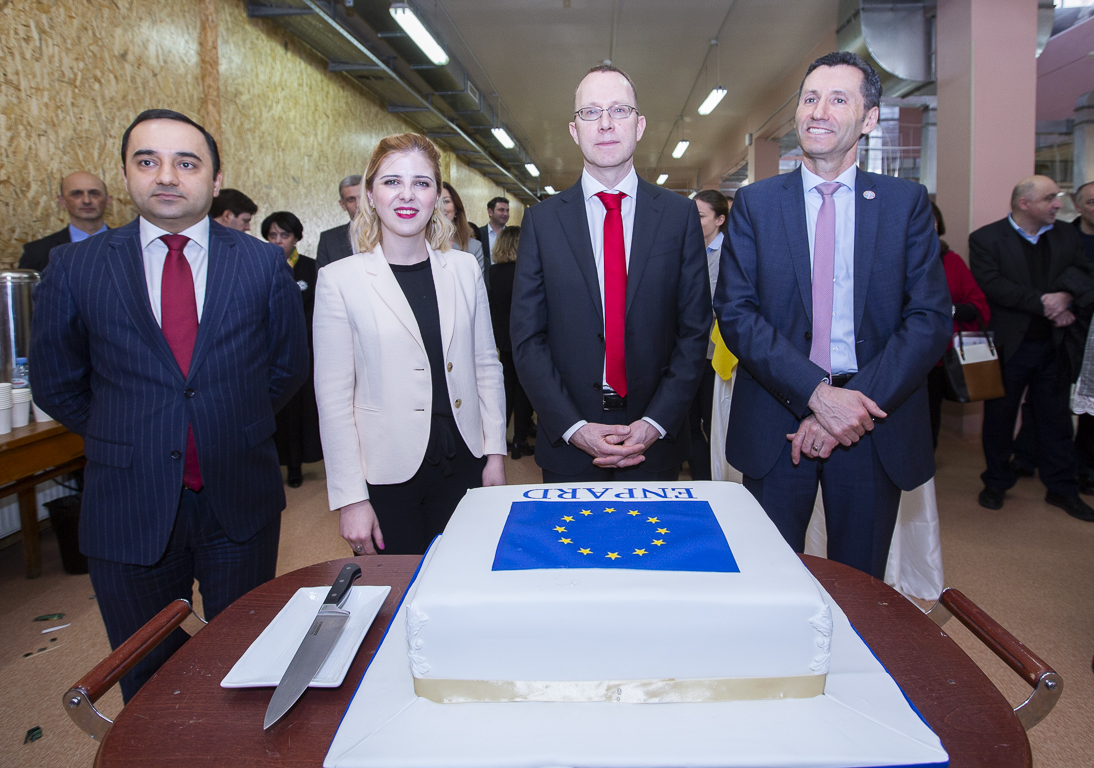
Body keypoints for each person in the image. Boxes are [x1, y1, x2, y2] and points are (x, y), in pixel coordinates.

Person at [30, 109, 308, 701]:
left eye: (186, 162)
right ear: (125, 175)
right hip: (128, 504)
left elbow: (287, 367)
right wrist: (126, 435)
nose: (166, 176)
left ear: (215, 177)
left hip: (239, 499)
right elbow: (56, 382)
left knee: (245, 664)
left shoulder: (261, 263)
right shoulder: (75, 267)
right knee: (148, 680)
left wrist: (226, 423)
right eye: (147, 161)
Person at [716, 51, 951, 579]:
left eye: (838, 99)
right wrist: (817, 396)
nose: (818, 111)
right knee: (771, 581)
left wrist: (851, 406)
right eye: (810, 98)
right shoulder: (755, 204)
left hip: (872, 421)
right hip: (777, 419)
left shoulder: (905, 203)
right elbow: (736, 312)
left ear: (869, 119)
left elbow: (929, 318)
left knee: (860, 587)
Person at [511, 64, 711, 482]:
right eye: (590, 112)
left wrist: (655, 422)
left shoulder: (678, 217)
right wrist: (573, 427)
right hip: (569, 444)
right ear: (574, 130)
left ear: (639, 125)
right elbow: (528, 338)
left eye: (619, 110)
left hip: (654, 443)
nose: (605, 123)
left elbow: (694, 331)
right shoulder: (542, 222)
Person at [313, 133, 506, 556]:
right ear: (370, 194)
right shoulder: (339, 280)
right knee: (398, 589)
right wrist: (351, 498)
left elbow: (485, 366)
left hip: (464, 460)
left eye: (421, 183)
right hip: (386, 473)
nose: (407, 194)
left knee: (462, 579)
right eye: (391, 182)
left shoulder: (463, 269)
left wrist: (494, 454)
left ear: (437, 196)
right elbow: (333, 399)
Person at [969, 175, 1094, 520]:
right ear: (1024, 204)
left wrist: (1065, 296)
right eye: (1050, 198)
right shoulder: (986, 238)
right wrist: (1046, 304)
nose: (1058, 204)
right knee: (1000, 418)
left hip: (1056, 345)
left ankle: (1062, 488)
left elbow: (1084, 271)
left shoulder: (1066, 234)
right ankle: (996, 482)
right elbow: (994, 285)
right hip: (1011, 347)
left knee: (1056, 420)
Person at [262, 211, 323, 488]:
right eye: (272, 235)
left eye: (284, 235)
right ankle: (280, 462)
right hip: (273, 352)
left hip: (307, 350)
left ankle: (298, 463)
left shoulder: (311, 267)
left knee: (303, 409)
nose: (278, 241)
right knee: (280, 411)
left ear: (296, 238)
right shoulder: (261, 265)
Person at [926, 202, 990, 448]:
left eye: (931, 222)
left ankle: (926, 463)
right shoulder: (890, 257)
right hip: (898, 353)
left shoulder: (952, 261)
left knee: (931, 414)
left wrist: (948, 310)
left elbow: (979, 305)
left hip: (940, 356)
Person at [687, 189, 730, 480]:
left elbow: (718, 302)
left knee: (713, 423)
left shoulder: (728, 254)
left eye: (700, 216)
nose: (694, 221)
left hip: (715, 355)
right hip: (690, 351)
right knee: (689, 424)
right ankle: (701, 481)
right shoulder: (691, 250)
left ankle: (716, 482)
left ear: (719, 220)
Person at [489, 226, 534, 459]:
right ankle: (519, 441)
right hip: (525, 338)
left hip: (503, 339)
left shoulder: (492, 272)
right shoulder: (525, 272)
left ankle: (499, 439)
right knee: (524, 390)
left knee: (506, 388)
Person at [19, 172, 112, 273]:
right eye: (77, 194)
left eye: (94, 194)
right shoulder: (37, 253)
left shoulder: (125, 245)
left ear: (108, 200)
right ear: (62, 201)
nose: (87, 200)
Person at [441, 181, 487, 285]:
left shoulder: (474, 247)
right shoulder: (419, 244)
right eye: (436, 201)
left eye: (446, 201)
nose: (441, 207)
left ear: (456, 208)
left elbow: (478, 287)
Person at [315, 174, 362, 269]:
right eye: (351, 199)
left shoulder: (389, 232)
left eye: (363, 198)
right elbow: (323, 277)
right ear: (343, 205)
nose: (358, 205)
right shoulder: (329, 240)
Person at [480, 196, 510, 265]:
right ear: (490, 212)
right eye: (501, 210)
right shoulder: (479, 234)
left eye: (507, 211)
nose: (505, 214)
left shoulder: (513, 236)